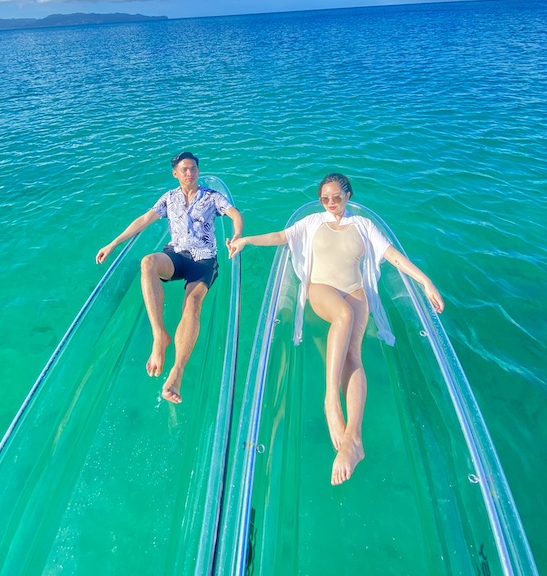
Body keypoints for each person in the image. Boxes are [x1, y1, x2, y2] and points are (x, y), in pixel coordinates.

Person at [228, 173, 444, 486]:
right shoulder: (312, 222)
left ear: (348, 195)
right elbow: (280, 236)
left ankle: (354, 439)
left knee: (354, 358)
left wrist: (426, 282)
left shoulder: (364, 225)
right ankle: (331, 401)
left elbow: (393, 256)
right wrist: (246, 240)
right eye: (325, 198)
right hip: (321, 289)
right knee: (343, 315)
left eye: (336, 197)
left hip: (356, 291)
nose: (331, 203)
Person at [96, 152, 243, 404]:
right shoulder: (169, 198)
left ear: (198, 171)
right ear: (175, 173)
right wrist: (113, 244)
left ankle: (177, 372)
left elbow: (235, 214)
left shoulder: (211, 197)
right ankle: (159, 336)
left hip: (203, 261)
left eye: (193, 168)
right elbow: (144, 219)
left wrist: (237, 236)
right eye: (184, 169)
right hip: (176, 255)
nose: (190, 173)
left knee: (192, 304)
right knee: (148, 262)